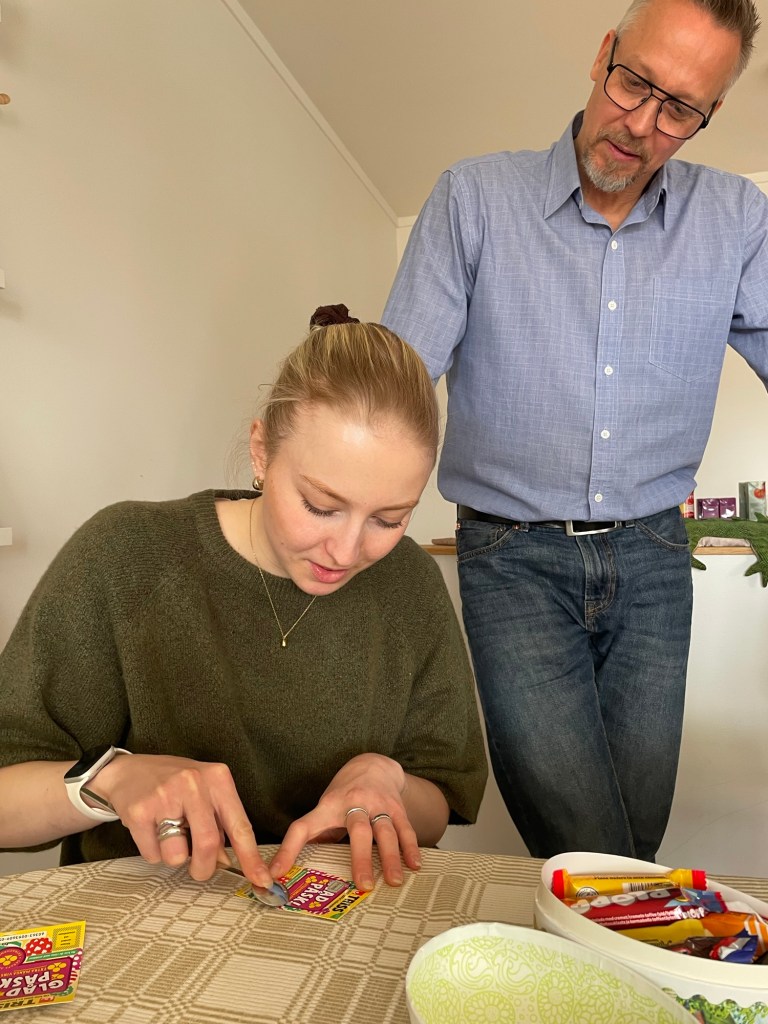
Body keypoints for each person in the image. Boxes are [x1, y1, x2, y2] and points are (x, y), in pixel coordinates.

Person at [382, 0, 767, 861]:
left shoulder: (737, 219)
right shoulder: (474, 199)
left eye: (680, 109)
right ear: (603, 55)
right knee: (589, 846)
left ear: (709, 113)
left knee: (627, 850)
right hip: (511, 558)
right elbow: (392, 385)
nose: (642, 124)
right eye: (635, 83)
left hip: (656, 557)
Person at [0, 305, 488, 893]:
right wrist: (110, 780)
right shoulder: (124, 555)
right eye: (320, 506)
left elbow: (440, 802)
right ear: (261, 451)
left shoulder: (409, 582)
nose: (346, 550)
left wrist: (388, 781)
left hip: (335, 924)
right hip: (142, 918)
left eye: (390, 519)